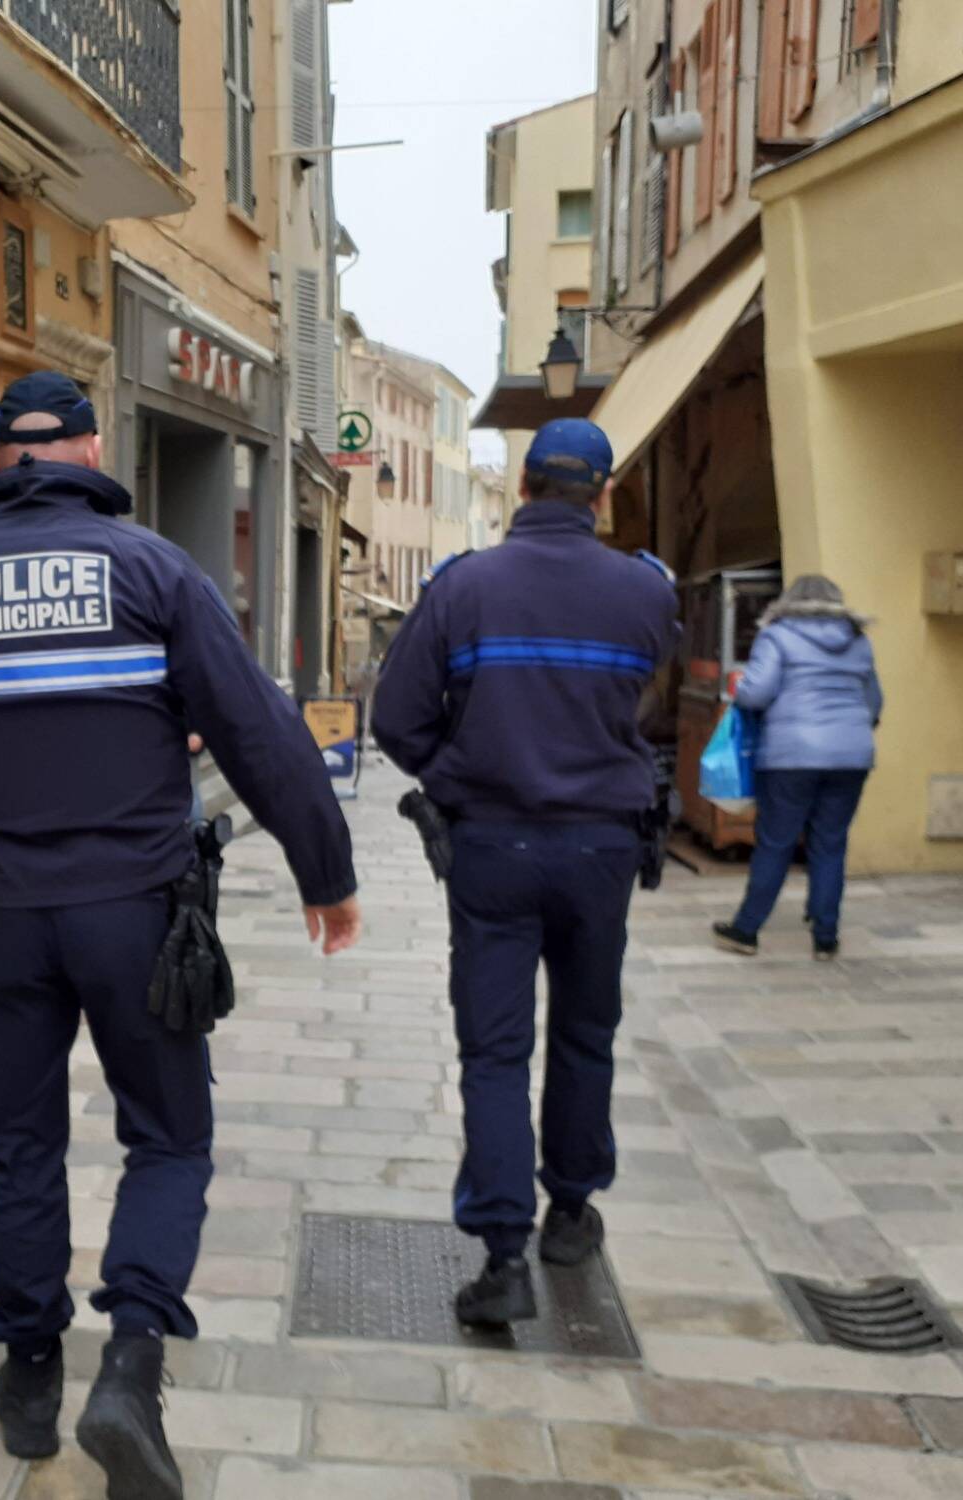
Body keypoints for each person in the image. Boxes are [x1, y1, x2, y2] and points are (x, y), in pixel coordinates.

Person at [0, 371, 361, 1499]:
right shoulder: (153, 571)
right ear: (87, 445)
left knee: (20, 1146)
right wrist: (326, 869)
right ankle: (129, 1363)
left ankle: (27, 1368)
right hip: (139, 919)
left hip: (5, 927)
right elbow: (259, 732)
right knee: (167, 1138)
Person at [371, 419, 677, 1327]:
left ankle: (502, 1253)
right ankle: (572, 1211)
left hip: (493, 847)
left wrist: (458, 773)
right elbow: (644, 706)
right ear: (604, 495)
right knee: (587, 1031)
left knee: (494, 1049)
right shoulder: (645, 593)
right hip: (602, 848)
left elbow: (396, 715)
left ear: (524, 488)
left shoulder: (464, 587)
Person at [712, 575, 882, 960]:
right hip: (851, 755)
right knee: (830, 844)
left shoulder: (777, 635)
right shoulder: (859, 640)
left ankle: (746, 930)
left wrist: (741, 690)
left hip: (791, 756)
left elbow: (755, 693)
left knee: (776, 842)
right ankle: (825, 937)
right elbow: (873, 702)